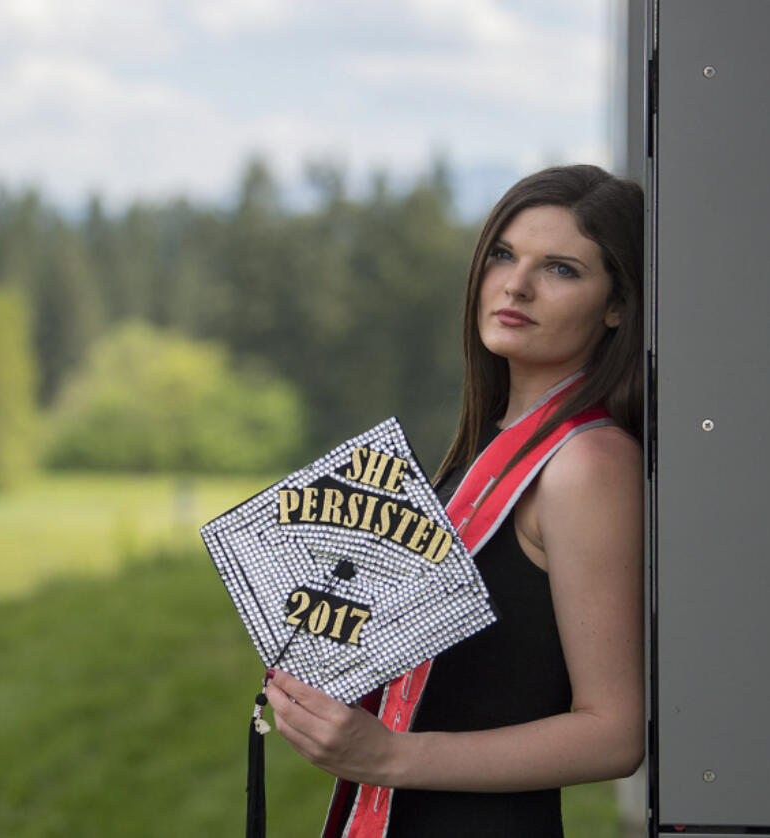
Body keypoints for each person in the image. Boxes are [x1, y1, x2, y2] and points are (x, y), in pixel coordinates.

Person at [265, 164, 645, 837]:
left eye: (561, 269)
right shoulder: (486, 453)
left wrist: (389, 755)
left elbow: (613, 734)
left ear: (617, 304)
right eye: (504, 254)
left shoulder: (586, 462)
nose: (516, 285)